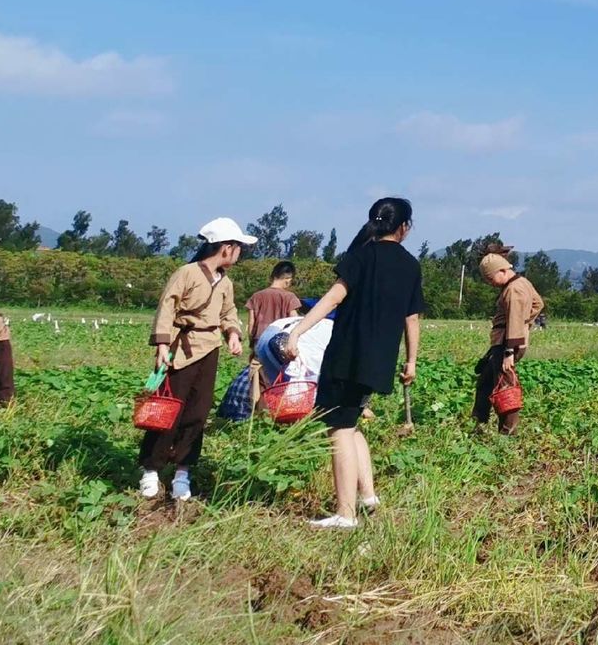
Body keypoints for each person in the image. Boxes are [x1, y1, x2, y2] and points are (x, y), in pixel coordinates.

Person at [284, 197, 422, 530]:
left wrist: (297, 331)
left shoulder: (359, 256)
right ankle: (368, 497)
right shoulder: (410, 265)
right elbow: (412, 317)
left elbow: (333, 297)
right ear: (404, 227)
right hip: (380, 360)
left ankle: (346, 514)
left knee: (339, 430)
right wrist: (411, 360)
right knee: (352, 421)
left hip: (348, 356)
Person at [139, 217, 253, 501]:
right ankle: (151, 470)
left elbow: (228, 313)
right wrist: (162, 345)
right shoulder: (187, 273)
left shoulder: (225, 283)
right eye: (238, 247)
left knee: (197, 414)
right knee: (167, 410)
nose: (239, 252)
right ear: (226, 248)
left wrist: (233, 334)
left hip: (209, 349)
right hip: (182, 350)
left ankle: (182, 472)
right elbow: (167, 306)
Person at [474, 250, 544, 435]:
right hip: (506, 341)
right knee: (486, 381)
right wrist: (526, 321)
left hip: (507, 344)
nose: (490, 283)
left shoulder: (513, 290)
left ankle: (507, 433)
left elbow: (513, 321)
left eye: (490, 279)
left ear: (502, 270)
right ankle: (479, 422)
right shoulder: (523, 283)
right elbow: (538, 304)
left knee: (505, 387)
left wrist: (508, 353)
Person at [246, 261, 300, 351]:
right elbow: (294, 320)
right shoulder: (290, 297)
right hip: (279, 343)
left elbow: (251, 323)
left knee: (257, 365)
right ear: (288, 279)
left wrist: (251, 342)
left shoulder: (256, 296)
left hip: (259, 341)